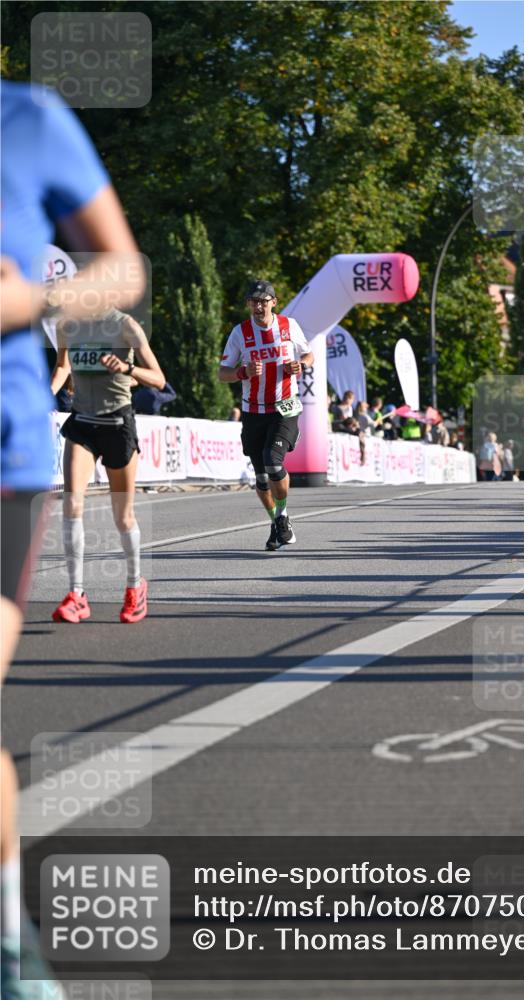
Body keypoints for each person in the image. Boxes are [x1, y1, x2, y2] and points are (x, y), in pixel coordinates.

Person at [1, 79, 145, 999]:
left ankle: (10, 950)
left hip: (4, 446)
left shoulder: (29, 119)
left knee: (119, 512)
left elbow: (121, 266)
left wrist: (25, 303)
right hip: (64, 420)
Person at [50, 310, 165, 622]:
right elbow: (63, 366)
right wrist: (43, 397)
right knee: (71, 503)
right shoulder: (67, 324)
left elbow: (159, 379)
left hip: (117, 424)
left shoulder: (125, 325)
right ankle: (76, 594)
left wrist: (128, 368)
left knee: (122, 516)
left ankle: (134, 586)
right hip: (82, 423)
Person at [218, 280, 314, 551]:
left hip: (284, 407)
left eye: (263, 301)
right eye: (253, 301)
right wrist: (241, 372)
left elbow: (308, 354)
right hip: (253, 411)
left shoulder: (288, 326)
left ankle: (281, 517)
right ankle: (278, 521)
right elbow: (222, 373)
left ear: (274, 302)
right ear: (248, 304)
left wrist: (301, 364)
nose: (258, 306)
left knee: (274, 462)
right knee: (261, 477)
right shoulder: (240, 333)